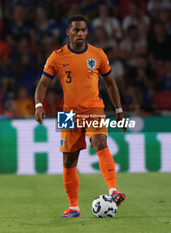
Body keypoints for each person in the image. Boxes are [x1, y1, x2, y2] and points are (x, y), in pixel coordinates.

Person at [34, 15, 126, 218]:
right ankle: (74, 207)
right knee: (68, 161)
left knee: (100, 141)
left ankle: (113, 191)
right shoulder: (57, 57)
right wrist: (39, 104)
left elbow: (110, 83)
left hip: (94, 109)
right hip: (68, 113)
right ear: (68, 32)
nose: (80, 34)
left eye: (83, 30)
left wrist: (118, 110)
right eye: (76, 30)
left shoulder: (98, 54)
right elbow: (42, 84)